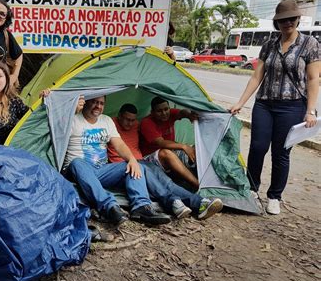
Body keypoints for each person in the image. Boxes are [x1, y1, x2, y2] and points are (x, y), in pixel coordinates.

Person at [230, 0, 320, 215]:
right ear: (276, 22)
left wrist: (310, 110)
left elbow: (313, 78)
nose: (287, 22)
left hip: (292, 107)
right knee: (258, 147)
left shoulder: (310, 44)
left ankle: (274, 196)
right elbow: (256, 76)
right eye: (282, 20)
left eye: (291, 18)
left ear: (297, 19)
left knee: (281, 153)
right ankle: (251, 189)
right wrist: (240, 103)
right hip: (264, 104)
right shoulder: (269, 44)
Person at [63, 96, 171, 226]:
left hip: (100, 171)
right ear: (86, 102)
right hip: (77, 171)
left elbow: (119, 144)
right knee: (77, 162)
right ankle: (109, 207)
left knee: (136, 166)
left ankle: (141, 207)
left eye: (101, 103)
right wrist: (70, 112)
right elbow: (56, 136)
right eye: (94, 102)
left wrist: (132, 159)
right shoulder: (73, 119)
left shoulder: (106, 120)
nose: (98, 106)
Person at [108, 104, 223, 220]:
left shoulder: (137, 125)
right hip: (125, 165)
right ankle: (178, 203)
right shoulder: (110, 124)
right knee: (160, 183)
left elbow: (178, 113)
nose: (130, 123)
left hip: (142, 161)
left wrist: (190, 115)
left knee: (168, 183)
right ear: (119, 116)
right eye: (127, 120)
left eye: (133, 120)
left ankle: (200, 202)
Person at [140, 97, 200, 189]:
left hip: (170, 151)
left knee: (196, 149)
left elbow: (181, 113)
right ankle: (198, 185)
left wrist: (189, 115)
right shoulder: (147, 123)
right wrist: (183, 146)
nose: (164, 113)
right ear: (152, 112)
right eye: (159, 111)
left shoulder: (169, 114)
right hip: (149, 159)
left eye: (166, 109)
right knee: (166, 153)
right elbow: (161, 143)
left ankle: (206, 179)